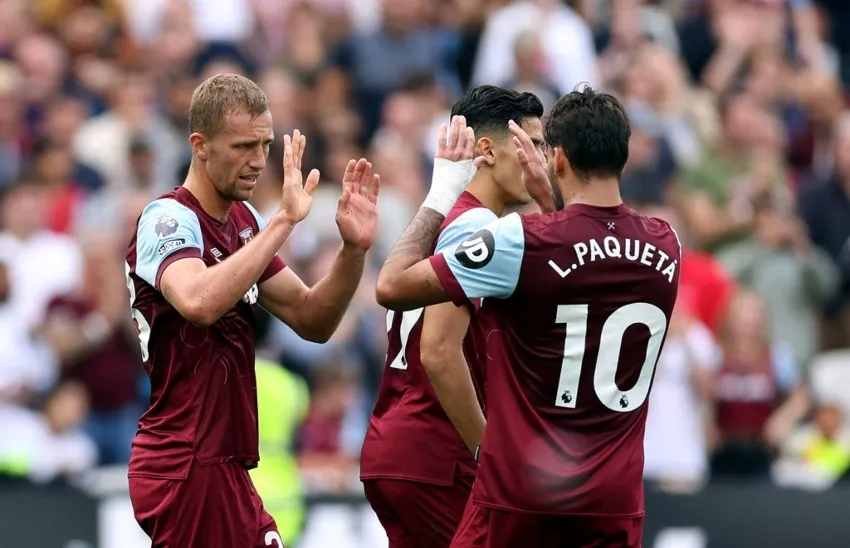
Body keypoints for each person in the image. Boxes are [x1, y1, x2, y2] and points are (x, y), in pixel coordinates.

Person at [375, 86, 680, 548]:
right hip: (612, 493)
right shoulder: (667, 243)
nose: (531, 155)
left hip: (523, 486)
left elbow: (392, 288)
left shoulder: (519, 238)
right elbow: (590, 261)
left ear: (557, 158)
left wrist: (441, 193)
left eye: (540, 145)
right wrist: (553, 207)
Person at [125, 74, 379, 548]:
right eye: (243, 146)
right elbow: (199, 302)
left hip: (222, 462)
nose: (259, 161)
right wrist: (283, 221)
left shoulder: (245, 223)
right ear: (200, 145)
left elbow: (313, 318)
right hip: (184, 458)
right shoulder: (167, 218)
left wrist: (353, 250)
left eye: (265, 144)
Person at [360, 86, 554, 547]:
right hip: (440, 451)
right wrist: (488, 453)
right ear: (486, 150)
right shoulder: (481, 229)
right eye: (530, 143)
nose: (540, 158)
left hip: (405, 443)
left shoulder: (446, 216)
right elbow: (440, 350)